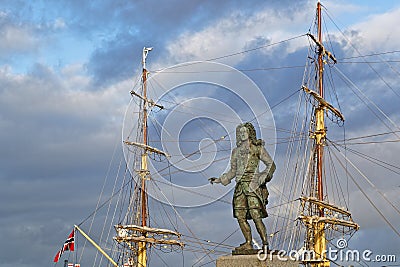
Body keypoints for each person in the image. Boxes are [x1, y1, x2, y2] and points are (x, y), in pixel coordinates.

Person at [209, 122, 275, 253]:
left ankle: (265, 243)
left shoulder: (257, 149)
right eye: (241, 133)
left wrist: (264, 176)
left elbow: (271, 165)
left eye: (245, 132)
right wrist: (219, 180)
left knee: (256, 215)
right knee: (240, 216)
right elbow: (232, 171)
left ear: (250, 133)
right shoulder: (236, 152)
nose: (243, 134)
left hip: (253, 185)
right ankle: (248, 243)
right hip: (240, 187)